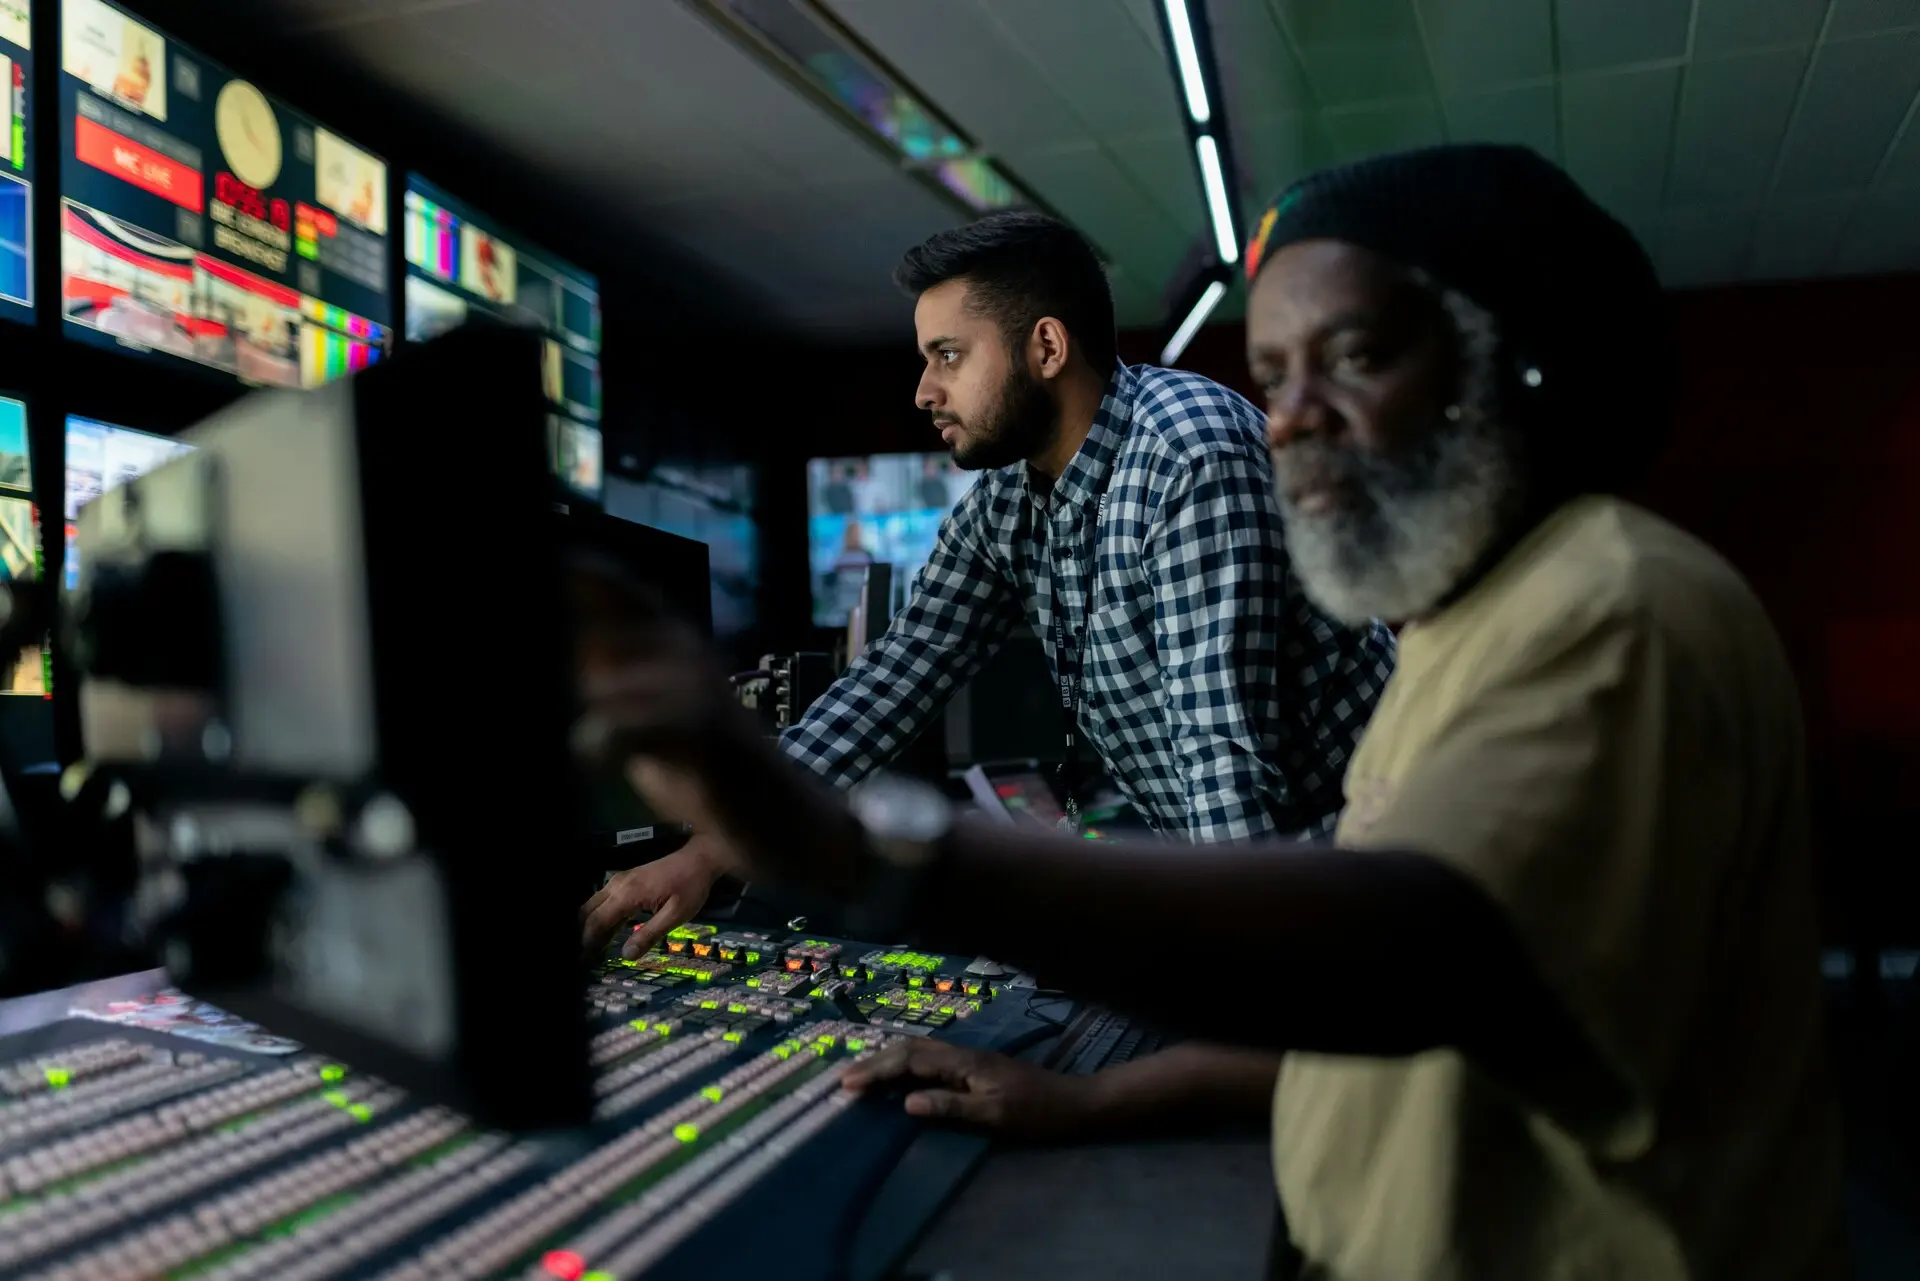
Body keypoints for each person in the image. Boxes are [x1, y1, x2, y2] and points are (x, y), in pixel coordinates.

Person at [574, 144, 1846, 1281]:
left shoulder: (1607, 608)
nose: (1284, 419)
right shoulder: (1472, 624)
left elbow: (1376, 928)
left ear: (1515, 363)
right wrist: (721, 845)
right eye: (1275, 369)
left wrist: (868, 855)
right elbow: (904, 671)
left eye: (1347, 360)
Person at [582, 208, 1394, 956]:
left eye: (948, 356)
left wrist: (1233, 1006)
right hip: (1256, 886)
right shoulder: (1012, 499)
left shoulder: (1187, 455)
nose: (923, 391)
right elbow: (895, 677)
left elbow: (1225, 764)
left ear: (1046, 348)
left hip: (1356, 876)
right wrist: (711, 851)